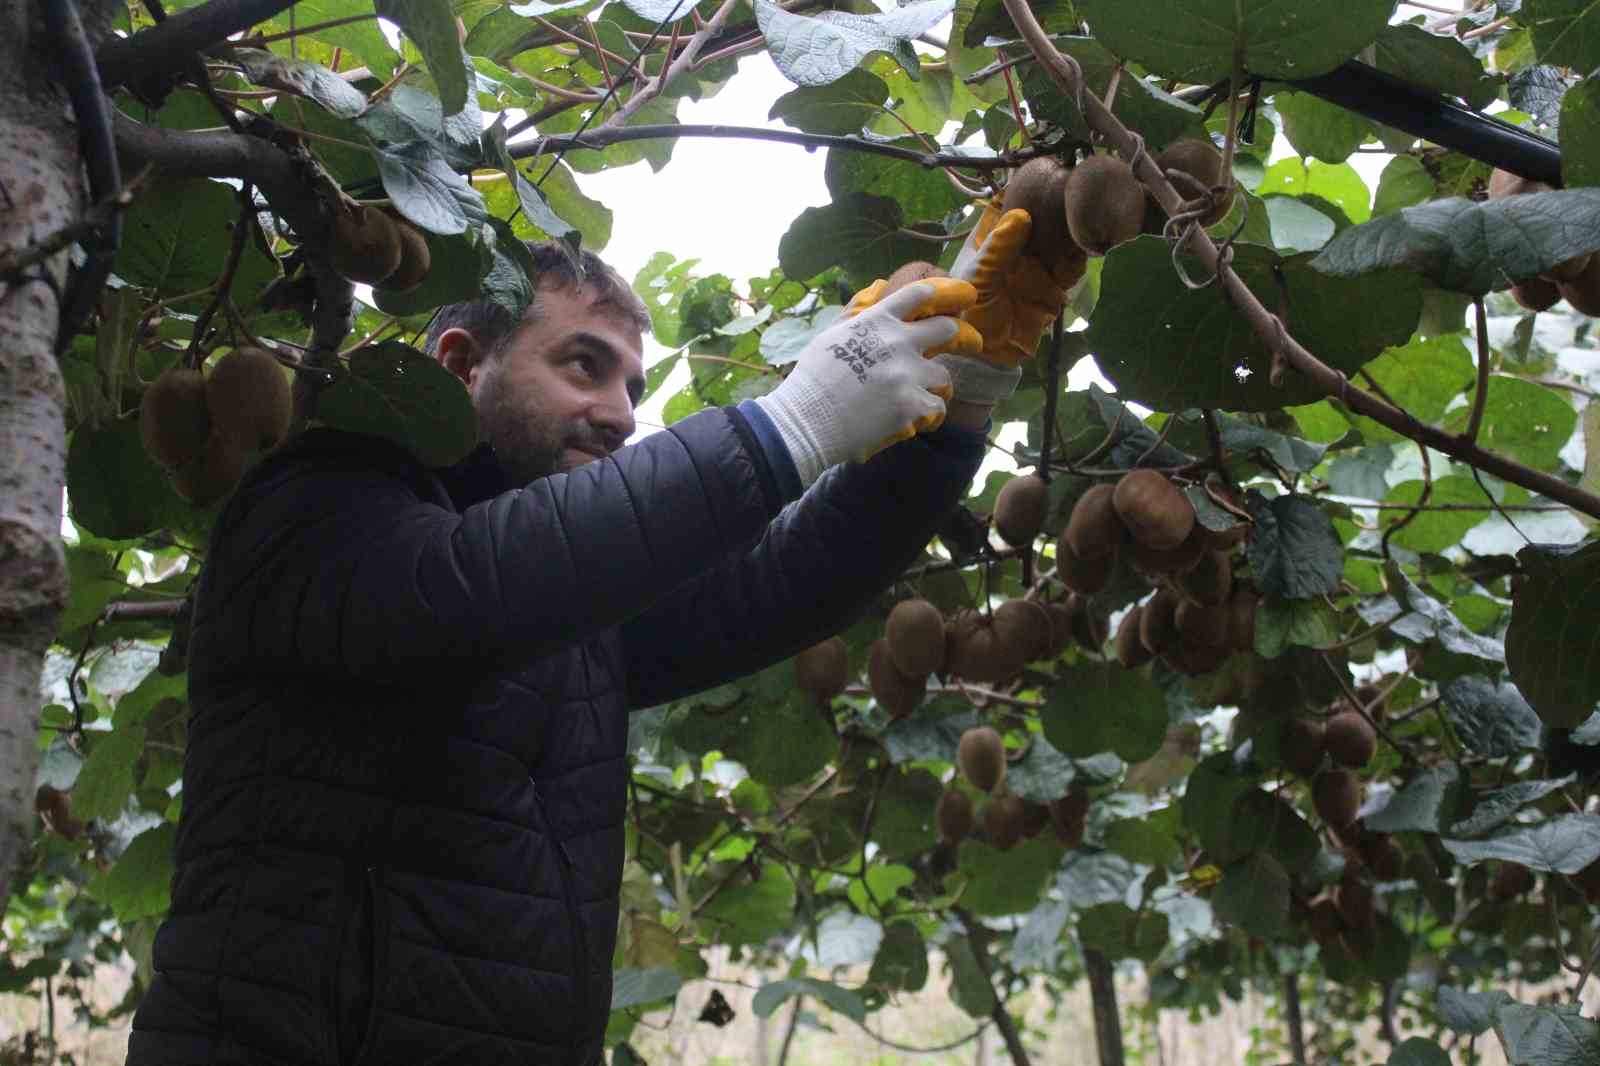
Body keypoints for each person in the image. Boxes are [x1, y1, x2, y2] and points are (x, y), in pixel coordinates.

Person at [123, 198, 1069, 1066]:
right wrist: (794, 420)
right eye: (585, 365)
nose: (620, 415)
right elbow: (466, 590)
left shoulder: (575, 612)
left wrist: (957, 403)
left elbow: (779, 584)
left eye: (632, 386)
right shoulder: (311, 506)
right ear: (460, 364)